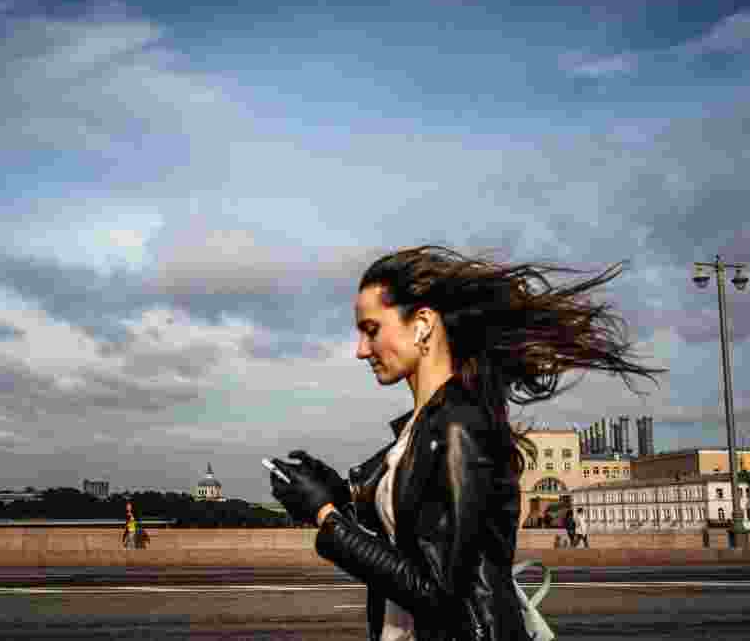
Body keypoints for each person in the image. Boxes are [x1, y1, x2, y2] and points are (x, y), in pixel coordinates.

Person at [269, 245, 664, 641]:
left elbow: (436, 591)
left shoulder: (460, 426)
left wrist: (326, 517)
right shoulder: (421, 430)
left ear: (422, 324)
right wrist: (335, 496)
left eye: (371, 330)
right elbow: (409, 542)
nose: (360, 350)